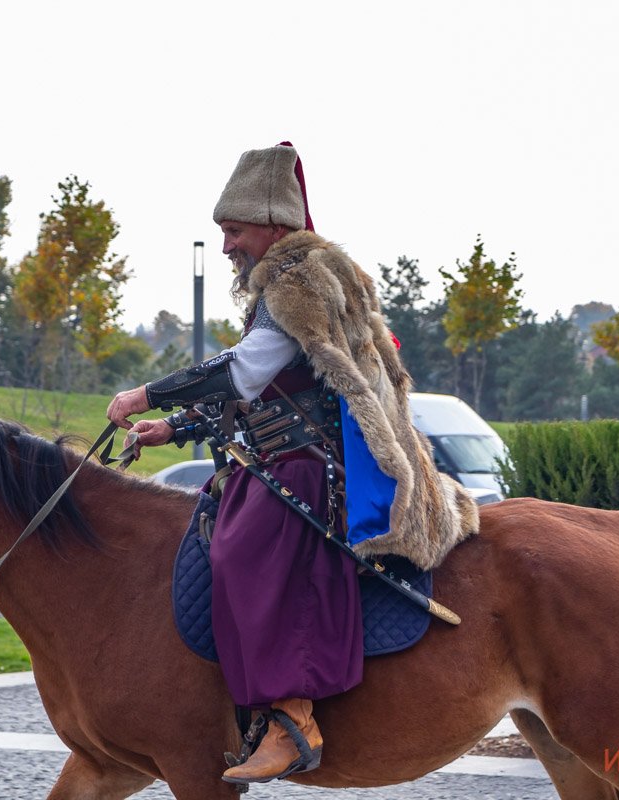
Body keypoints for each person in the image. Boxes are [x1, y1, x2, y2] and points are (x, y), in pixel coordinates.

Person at [106, 143, 478, 784]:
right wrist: (172, 427)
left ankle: (292, 717)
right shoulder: (278, 285)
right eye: (223, 233)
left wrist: (149, 393)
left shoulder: (299, 279)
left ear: (274, 223)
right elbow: (264, 393)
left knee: (244, 551)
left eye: (234, 231)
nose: (226, 246)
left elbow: (242, 372)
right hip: (274, 457)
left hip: (311, 468)